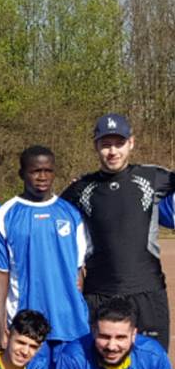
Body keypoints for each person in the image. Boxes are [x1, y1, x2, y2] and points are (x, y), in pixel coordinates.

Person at [62, 113, 175, 351]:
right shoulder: (81, 189)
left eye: (119, 144)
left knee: (151, 367)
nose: (113, 151)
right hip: (99, 293)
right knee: (99, 368)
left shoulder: (153, 176)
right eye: (105, 145)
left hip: (147, 291)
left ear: (131, 143)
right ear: (95, 146)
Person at [0, 146, 89, 367]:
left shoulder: (71, 213)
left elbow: (78, 270)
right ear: (22, 174)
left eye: (48, 170)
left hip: (69, 322)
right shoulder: (4, 215)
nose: (43, 177)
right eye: (35, 171)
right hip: (28, 325)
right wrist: (0, 326)